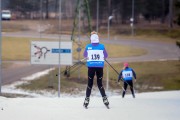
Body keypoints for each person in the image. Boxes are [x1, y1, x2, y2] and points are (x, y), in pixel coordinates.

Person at [83, 31, 109, 108]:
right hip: (99, 67)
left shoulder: (88, 46)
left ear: (91, 38)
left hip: (91, 67)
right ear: (98, 38)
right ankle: (105, 99)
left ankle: (87, 99)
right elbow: (106, 56)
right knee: (100, 84)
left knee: (90, 84)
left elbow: (85, 55)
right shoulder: (102, 46)